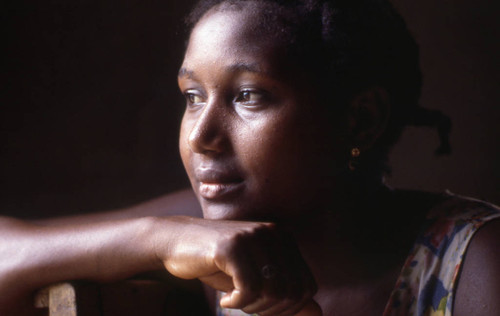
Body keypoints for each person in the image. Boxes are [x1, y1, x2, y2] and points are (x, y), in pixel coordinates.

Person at [1, 0, 499, 315]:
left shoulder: (476, 263)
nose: (201, 136)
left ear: (360, 120)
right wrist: (159, 236)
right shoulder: (199, 237)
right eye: (193, 96)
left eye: (248, 96)